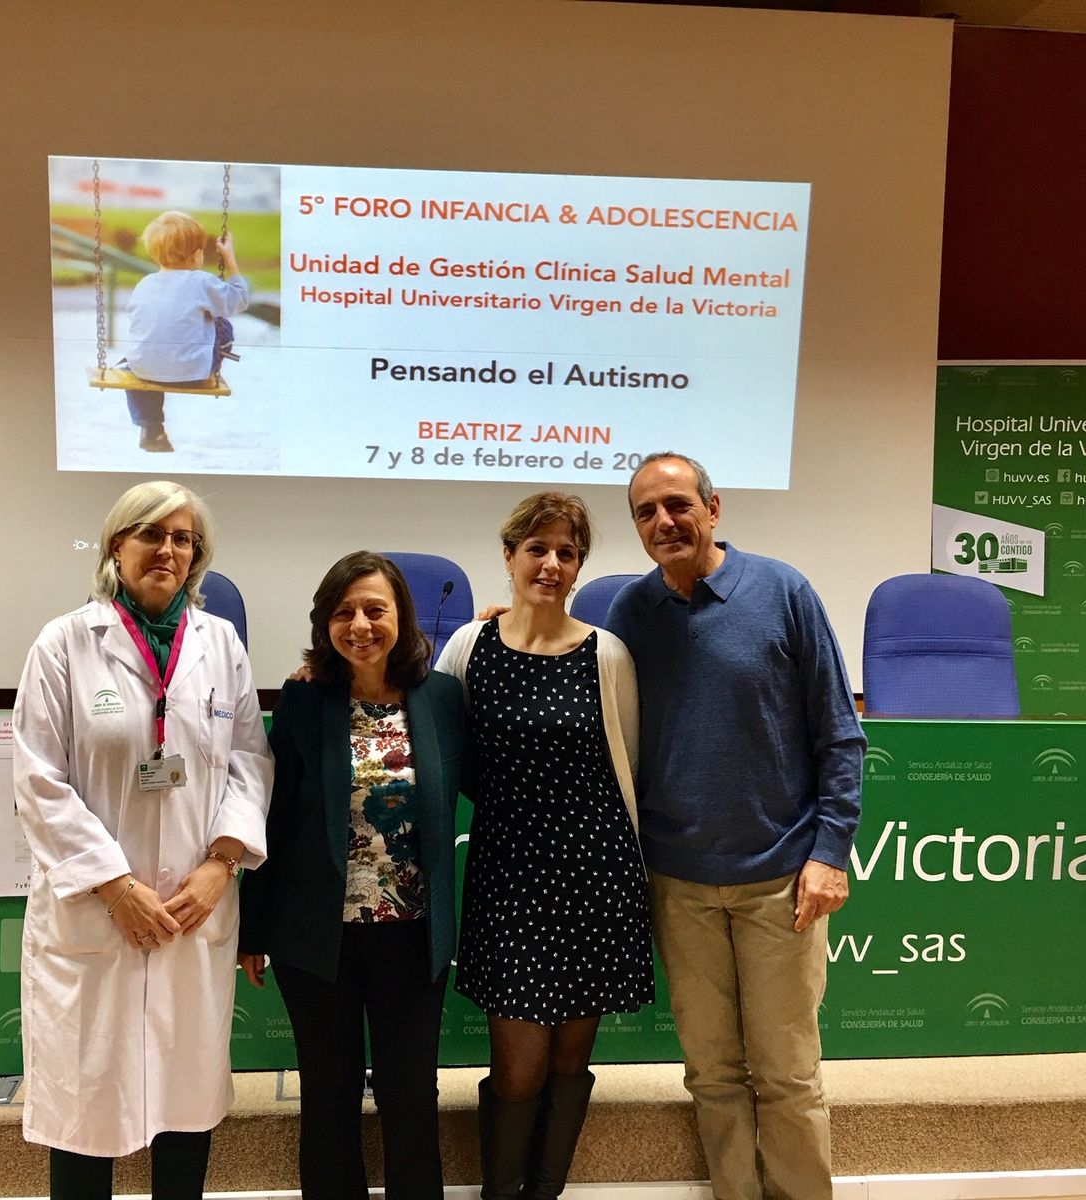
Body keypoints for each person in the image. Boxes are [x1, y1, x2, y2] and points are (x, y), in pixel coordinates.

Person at [604, 452, 865, 1200]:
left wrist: (830, 851)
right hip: (678, 884)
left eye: (679, 504)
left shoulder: (783, 592)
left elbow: (840, 736)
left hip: (781, 883)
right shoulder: (630, 613)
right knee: (712, 1075)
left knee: (785, 1076)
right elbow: (572, 667)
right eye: (647, 512)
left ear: (714, 510)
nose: (665, 521)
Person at [12, 479, 272, 1200]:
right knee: (86, 1102)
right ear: (116, 546)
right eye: (151, 534)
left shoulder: (221, 645)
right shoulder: (65, 643)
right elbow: (38, 778)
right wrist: (113, 884)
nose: (167, 549)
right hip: (97, 915)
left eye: (183, 538)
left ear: (197, 557)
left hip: (193, 909)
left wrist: (223, 863)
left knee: (186, 1099)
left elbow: (250, 760)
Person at [437, 492, 653, 1200]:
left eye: (567, 552)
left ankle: (544, 1192)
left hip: (595, 878)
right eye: (537, 549)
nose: (552, 564)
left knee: (567, 1061)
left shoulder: (607, 653)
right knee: (520, 1069)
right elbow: (437, 745)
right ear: (508, 556)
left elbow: (630, 766)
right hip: (511, 882)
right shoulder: (471, 647)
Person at [238, 551, 469, 1200]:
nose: (360, 624)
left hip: (412, 933)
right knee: (329, 1095)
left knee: (409, 1096)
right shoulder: (306, 699)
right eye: (344, 612)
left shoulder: (443, 699)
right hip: (316, 939)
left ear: (403, 618)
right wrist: (251, 927)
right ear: (325, 624)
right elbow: (273, 818)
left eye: (376, 609)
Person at [122, 210, 249, 453]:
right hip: (194, 371)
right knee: (221, 320)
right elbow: (239, 301)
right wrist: (230, 261)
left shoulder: (144, 283)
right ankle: (191, 364)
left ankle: (151, 427)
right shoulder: (202, 281)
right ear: (197, 255)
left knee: (142, 361)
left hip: (144, 368)